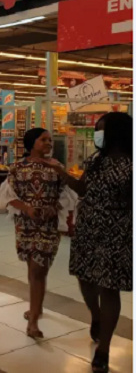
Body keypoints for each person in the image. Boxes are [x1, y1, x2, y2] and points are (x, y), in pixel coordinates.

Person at [40, 112, 132, 372]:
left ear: (116, 132)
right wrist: (61, 173)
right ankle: (96, 317)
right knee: (85, 278)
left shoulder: (131, 165)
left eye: (101, 129)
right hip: (88, 228)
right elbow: (82, 190)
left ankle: (104, 349)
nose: (96, 134)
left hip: (117, 233)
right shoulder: (95, 161)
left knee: (108, 287)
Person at [0, 128, 77, 339]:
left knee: (39, 268)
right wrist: (27, 208)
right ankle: (35, 308)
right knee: (34, 269)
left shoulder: (57, 167)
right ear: (32, 143)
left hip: (48, 226)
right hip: (26, 226)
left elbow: (67, 195)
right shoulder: (17, 168)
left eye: (50, 140)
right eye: (44, 140)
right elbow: (7, 196)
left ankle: (33, 322)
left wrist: (55, 206)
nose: (49, 143)